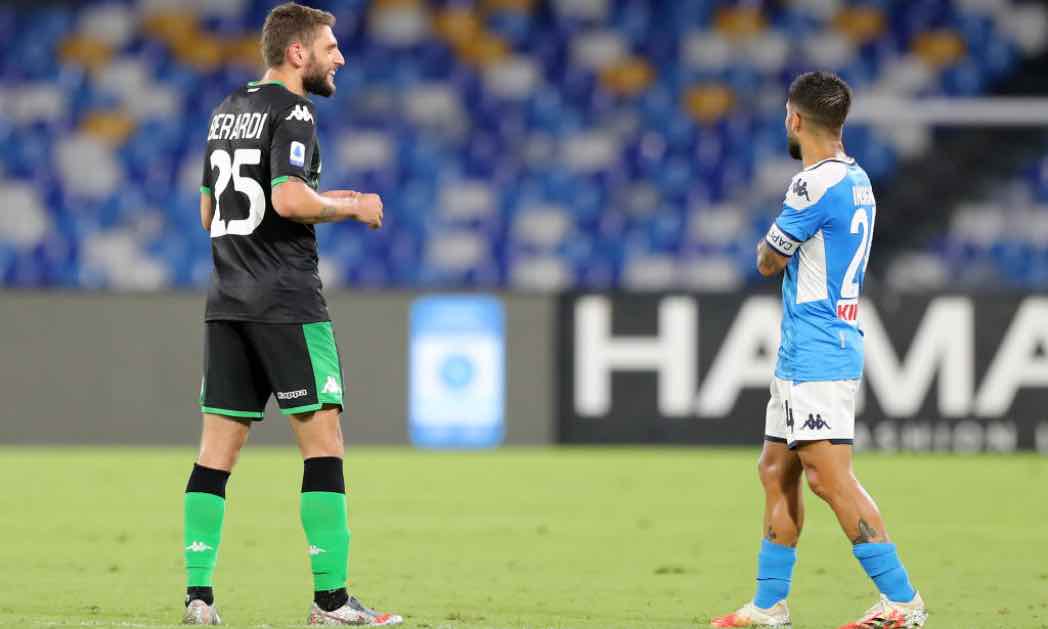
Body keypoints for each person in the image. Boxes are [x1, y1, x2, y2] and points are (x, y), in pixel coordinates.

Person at [183, 3, 400, 625]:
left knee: (216, 451)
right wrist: (351, 204)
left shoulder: (226, 110)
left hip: (226, 302)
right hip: (286, 301)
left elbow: (207, 215)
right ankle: (331, 601)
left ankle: (199, 597)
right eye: (330, 47)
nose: (340, 57)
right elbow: (287, 197)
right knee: (323, 441)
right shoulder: (295, 110)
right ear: (297, 53)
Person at [710, 72, 927, 629]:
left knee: (828, 477)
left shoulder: (812, 184)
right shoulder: (858, 180)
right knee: (775, 467)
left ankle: (902, 602)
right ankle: (769, 604)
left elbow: (767, 260)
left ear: (795, 119)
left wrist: (767, 244)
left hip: (818, 345)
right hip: (811, 343)